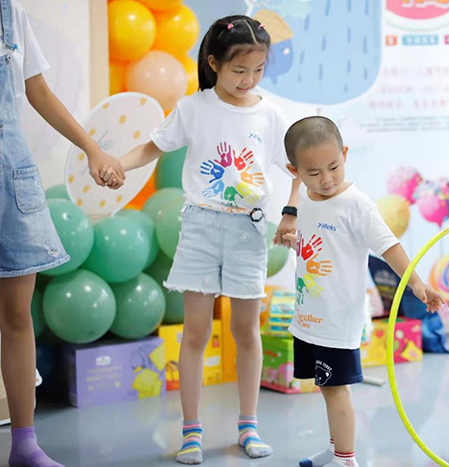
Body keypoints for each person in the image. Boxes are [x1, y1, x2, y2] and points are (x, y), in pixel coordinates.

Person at [103, 15, 299, 465]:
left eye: (258, 70)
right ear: (214, 63)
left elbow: (296, 169)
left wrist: (290, 214)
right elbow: (153, 146)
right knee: (195, 333)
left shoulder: (270, 115)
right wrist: (117, 165)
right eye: (239, 70)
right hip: (200, 229)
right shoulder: (193, 108)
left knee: (246, 331)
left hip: (248, 231)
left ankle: (249, 426)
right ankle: (192, 432)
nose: (249, 80)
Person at [0, 0, 125, 465]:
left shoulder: (11, 15)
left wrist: (93, 149)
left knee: (17, 315)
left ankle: (24, 444)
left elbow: (39, 92)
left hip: (8, 178)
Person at [280, 116, 443, 467]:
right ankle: (335, 448)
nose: (326, 179)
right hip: (309, 316)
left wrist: (416, 283)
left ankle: (346, 458)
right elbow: (322, 245)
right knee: (325, 387)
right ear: (295, 171)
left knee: (337, 390)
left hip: (337, 321)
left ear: (345, 154)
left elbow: (389, 246)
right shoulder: (305, 198)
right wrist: (297, 241)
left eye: (333, 167)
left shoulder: (357, 205)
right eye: (313, 173)